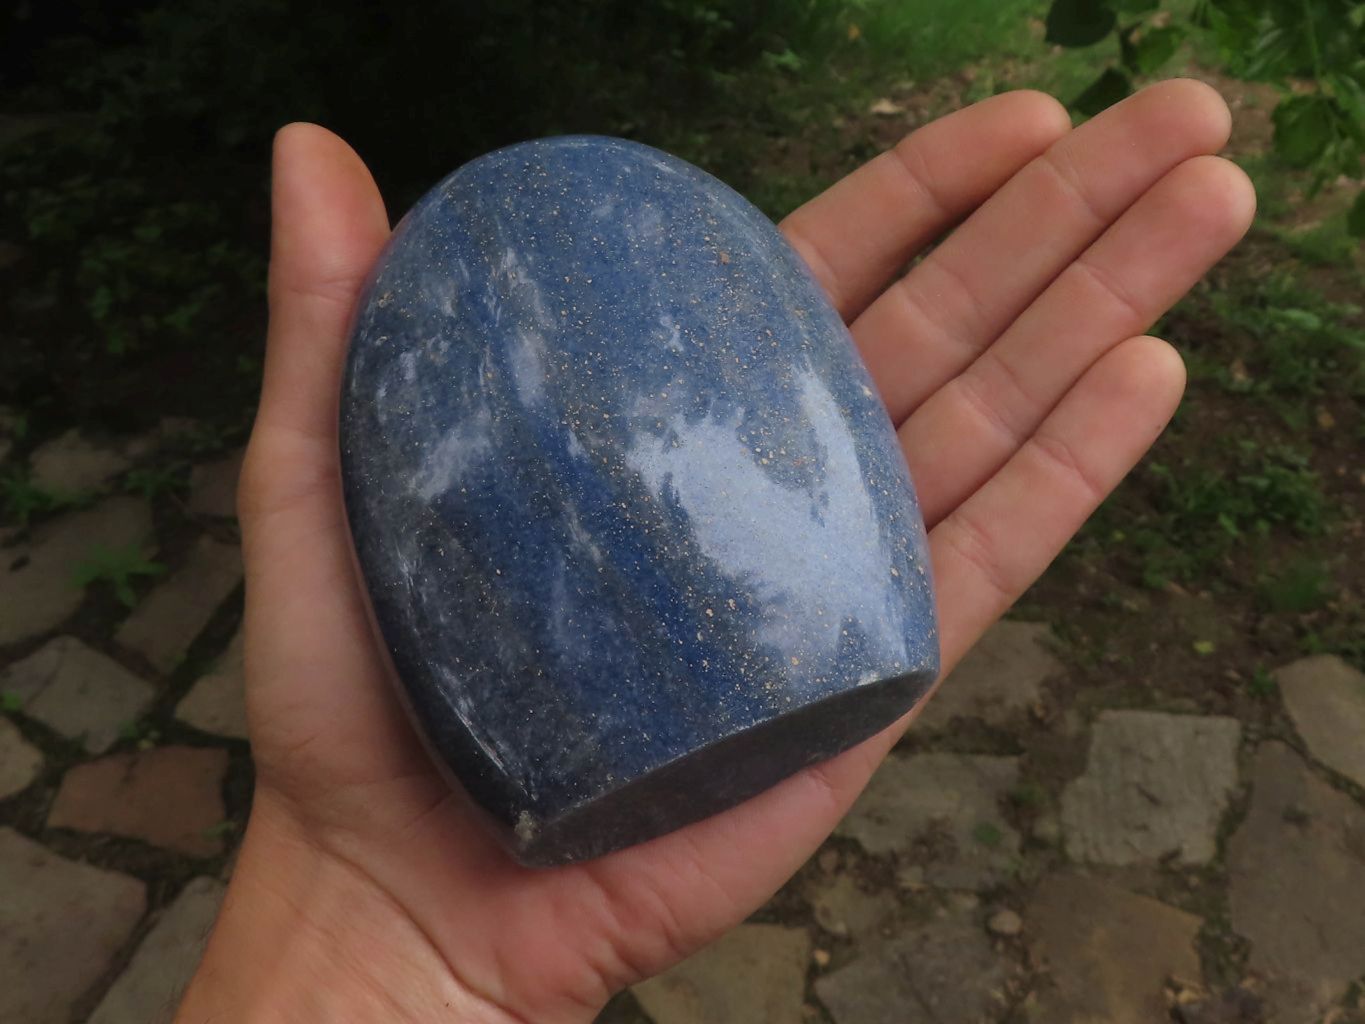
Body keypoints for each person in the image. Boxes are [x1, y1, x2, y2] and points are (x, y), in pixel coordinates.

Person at [173, 79, 1254, 1022]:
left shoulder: (520, 261)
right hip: (559, 773)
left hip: (785, 669)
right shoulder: (456, 312)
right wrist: (385, 952)